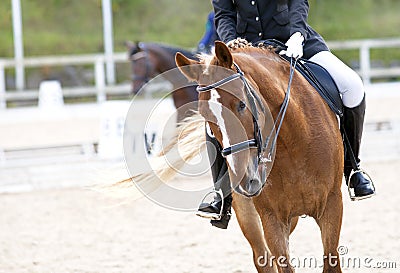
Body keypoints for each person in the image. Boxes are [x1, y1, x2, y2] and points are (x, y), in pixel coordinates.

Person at [197, 0, 376, 229]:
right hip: (247, 51)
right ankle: (221, 196)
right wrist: (230, 42)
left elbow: (298, 3)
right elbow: (224, 14)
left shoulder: (297, 37)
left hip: (294, 42)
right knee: (217, 112)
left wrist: (298, 35)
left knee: (352, 86)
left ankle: (352, 170)